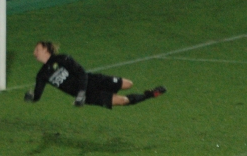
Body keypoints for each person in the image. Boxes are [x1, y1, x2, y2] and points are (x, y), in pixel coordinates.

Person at [24, 41, 166, 109]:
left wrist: (80, 94)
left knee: (128, 84)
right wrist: (31, 96)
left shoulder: (63, 59)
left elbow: (82, 74)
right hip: (89, 96)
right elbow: (37, 96)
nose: (34, 53)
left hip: (93, 81)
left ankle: (147, 93)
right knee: (122, 101)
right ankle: (150, 94)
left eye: (37, 49)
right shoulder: (42, 74)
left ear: (46, 49)